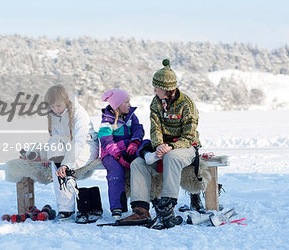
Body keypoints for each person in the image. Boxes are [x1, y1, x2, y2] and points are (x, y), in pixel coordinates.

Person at [118, 59, 203, 230]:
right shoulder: (156, 102)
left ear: (166, 88)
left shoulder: (187, 105)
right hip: (163, 147)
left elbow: (189, 136)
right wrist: (158, 146)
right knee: (138, 163)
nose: (154, 90)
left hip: (185, 147)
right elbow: (155, 128)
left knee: (171, 156)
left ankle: (167, 208)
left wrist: (170, 147)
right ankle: (141, 210)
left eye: (156, 87)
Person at [35, 85, 101, 223]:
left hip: (87, 145)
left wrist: (65, 164)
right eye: (52, 107)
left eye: (58, 106)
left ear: (65, 100)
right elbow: (53, 138)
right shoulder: (52, 115)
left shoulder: (78, 112)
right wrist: (47, 155)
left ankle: (83, 204)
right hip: (66, 147)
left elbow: (79, 141)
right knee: (56, 162)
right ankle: (66, 209)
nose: (56, 110)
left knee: (64, 167)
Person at [99, 88, 148, 220]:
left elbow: (138, 129)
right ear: (117, 106)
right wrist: (118, 156)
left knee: (146, 144)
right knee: (116, 172)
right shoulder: (107, 120)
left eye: (129, 101)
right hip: (111, 152)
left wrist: (135, 142)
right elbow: (106, 140)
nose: (129, 104)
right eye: (126, 102)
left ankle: (147, 154)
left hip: (129, 148)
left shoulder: (131, 116)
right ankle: (117, 207)